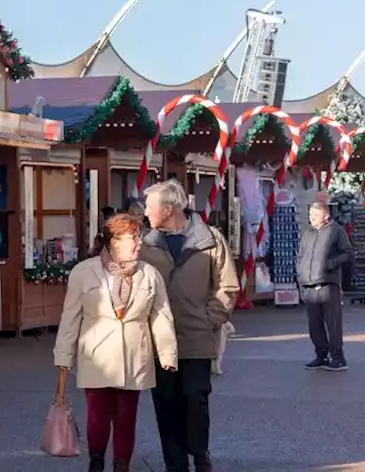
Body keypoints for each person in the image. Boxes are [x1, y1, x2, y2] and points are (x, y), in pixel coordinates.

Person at [54, 213, 177, 472]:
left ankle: (122, 465)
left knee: (126, 417)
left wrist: (167, 355)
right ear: (114, 241)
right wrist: (63, 358)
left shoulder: (149, 275)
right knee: (97, 416)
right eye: (132, 238)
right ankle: (96, 461)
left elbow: (161, 317)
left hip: (135, 357)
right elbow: (69, 320)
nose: (138, 243)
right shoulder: (83, 273)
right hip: (97, 356)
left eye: (139, 237)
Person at [140, 180, 238, 472]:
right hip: (159, 342)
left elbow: (228, 287)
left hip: (197, 338)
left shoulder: (210, 240)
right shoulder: (145, 245)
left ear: (167, 209)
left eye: (149, 206)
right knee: (165, 404)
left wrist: (210, 319)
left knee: (196, 398)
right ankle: (175, 463)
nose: (145, 212)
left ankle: (199, 453)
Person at [297, 201, 352, 370]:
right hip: (308, 283)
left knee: (333, 322)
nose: (311, 218)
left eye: (315, 215)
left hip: (328, 283)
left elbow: (348, 253)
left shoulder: (336, 230)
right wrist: (300, 273)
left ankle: (338, 357)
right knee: (314, 324)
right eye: (310, 215)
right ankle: (321, 355)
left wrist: (330, 264)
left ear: (326, 215)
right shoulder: (307, 232)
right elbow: (301, 254)